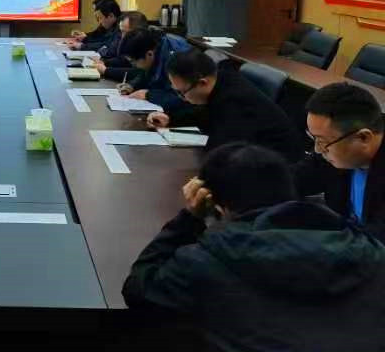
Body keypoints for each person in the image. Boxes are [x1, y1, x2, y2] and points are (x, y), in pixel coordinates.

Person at [122, 142, 385, 352]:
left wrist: (189, 218)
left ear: (215, 204)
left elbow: (140, 290)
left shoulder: (207, 260)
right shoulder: (369, 249)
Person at [146, 50, 303, 162]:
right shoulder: (220, 79)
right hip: (252, 154)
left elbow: (222, 149)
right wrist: (170, 119)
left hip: (277, 165)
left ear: (202, 83)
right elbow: (203, 112)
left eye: (182, 93)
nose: (182, 98)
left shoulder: (234, 102)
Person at [294, 82, 385, 242]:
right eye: (314, 138)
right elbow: (295, 178)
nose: (317, 149)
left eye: (322, 141)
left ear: (363, 137)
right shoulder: (336, 147)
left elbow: (376, 241)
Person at [118, 28, 191, 110]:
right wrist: (133, 85)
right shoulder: (155, 46)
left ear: (149, 54)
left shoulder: (176, 61)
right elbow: (147, 73)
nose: (133, 66)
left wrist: (148, 95)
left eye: (133, 62)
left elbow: (183, 100)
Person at [93, 11, 148, 82]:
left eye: (125, 32)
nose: (122, 37)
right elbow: (125, 59)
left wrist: (105, 70)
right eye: (121, 31)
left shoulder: (148, 47)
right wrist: (104, 62)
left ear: (137, 32)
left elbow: (140, 72)